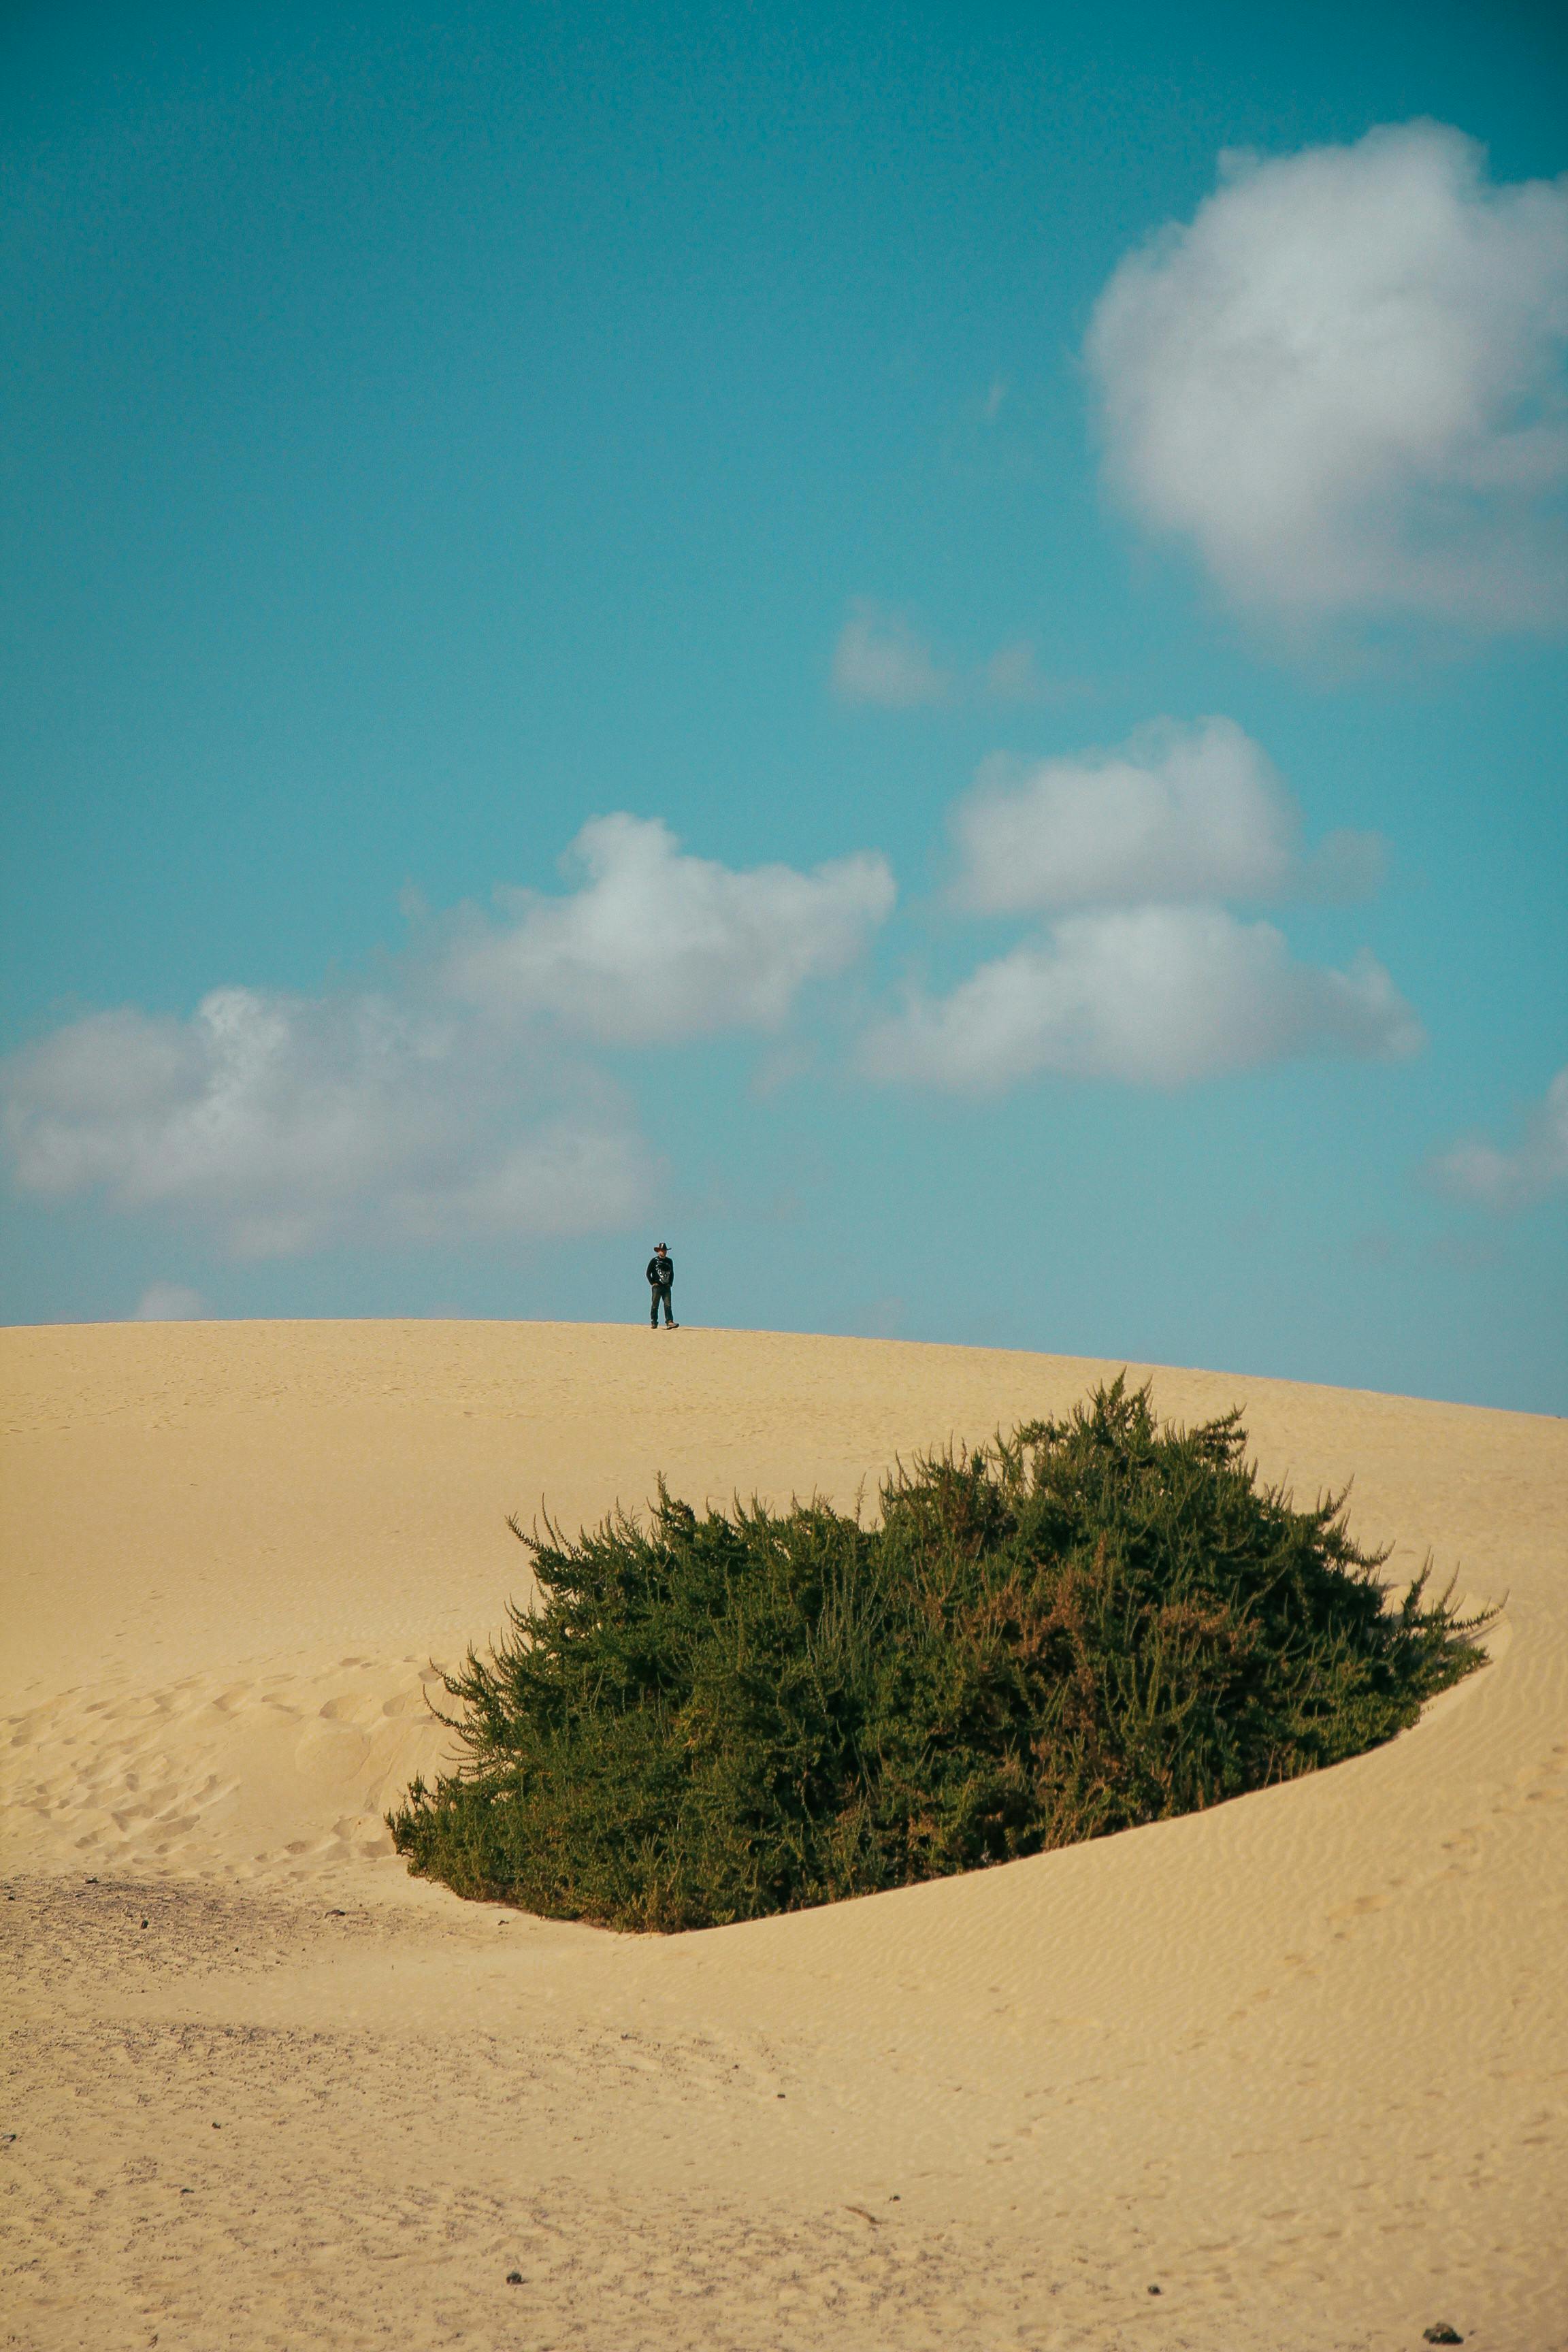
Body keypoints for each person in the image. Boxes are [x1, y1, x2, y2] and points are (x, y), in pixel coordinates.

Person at [647, 1242, 677, 1328]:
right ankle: (654, 1321)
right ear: (658, 1251)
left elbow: (672, 1273)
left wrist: (670, 1283)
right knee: (655, 1304)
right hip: (657, 1287)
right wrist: (652, 1283)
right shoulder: (654, 1261)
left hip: (666, 1287)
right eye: (662, 1251)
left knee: (668, 1305)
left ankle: (669, 1321)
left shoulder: (669, 1261)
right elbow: (648, 1273)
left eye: (665, 1251)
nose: (663, 1252)